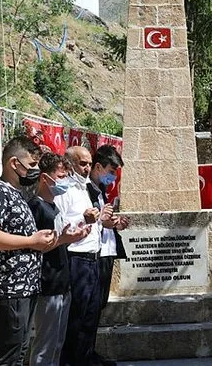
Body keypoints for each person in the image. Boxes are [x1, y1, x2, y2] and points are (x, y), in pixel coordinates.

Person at [0, 136, 57, 366]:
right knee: (6, 358)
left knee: (18, 355)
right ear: (13, 163)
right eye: (31, 165)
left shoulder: (18, 194)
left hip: (25, 288)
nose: (34, 170)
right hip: (9, 289)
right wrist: (31, 240)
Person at [28, 153, 91, 366]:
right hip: (48, 284)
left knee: (57, 344)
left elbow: (57, 240)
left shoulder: (54, 206)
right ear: (45, 178)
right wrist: (64, 238)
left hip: (62, 282)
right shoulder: (36, 207)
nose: (64, 180)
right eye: (60, 176)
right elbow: (36, 246)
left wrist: (72, 237)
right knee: (45, 347)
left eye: (66, 175)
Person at [56, 146, 114, 366]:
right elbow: (59, 224)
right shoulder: (64, 189)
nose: (87, 167)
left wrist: (104, 220)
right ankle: (71, 360)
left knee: (90, 314)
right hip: (76, 258)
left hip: (93, 256)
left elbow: (94, 222)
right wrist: (83, 218)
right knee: (77, 315)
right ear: (69, 163)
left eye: (89, 163)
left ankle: (85, 356)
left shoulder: (86, 189)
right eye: (83, 163)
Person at [86, 145, 130, 366]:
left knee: (98, 307)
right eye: (110, 171)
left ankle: (90, 353)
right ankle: (82, 356)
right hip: (94, 255)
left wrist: (114, 224)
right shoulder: (86, 190)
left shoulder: (100, 191)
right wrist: (102, 222)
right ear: (97, 166)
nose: (112, 177)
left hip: (106, 253)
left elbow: (103, 223)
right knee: (88, 311)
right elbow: (86, 223)